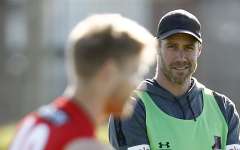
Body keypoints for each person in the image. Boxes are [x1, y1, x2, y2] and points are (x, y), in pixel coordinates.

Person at [9, 14, 157, 150]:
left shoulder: (33, 122)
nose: (138, 85)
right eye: (134, 73)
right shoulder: (86, 146)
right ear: (108, 72)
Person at [109, 9, 240, 150]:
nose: (181, 57)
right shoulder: (130, 107)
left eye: (188, 48)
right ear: (157, 47)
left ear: (199, 49)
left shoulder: (223, 107)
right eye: (172, 47)